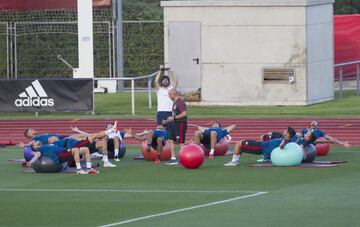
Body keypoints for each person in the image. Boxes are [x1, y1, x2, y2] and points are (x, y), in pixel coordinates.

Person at [224, 127, 297, 167]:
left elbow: (282, 145)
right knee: (242, 147)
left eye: (285, 130)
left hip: (260, 147)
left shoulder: (285, 140)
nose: (283, 131)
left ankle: (233, 162)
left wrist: (281, 145)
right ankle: (235, 160)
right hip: (261, 146)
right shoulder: (286, 139)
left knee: (239, 143)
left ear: (288, 134)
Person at [26, 141, 98, 174]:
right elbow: (37, 155)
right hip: (59, 155)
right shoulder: (40, 149)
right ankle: (79, 170)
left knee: (85, 149)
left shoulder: (46, 145)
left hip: (64, 151)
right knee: (75, 150)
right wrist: (31, 162)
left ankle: (89, 169)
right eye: (34, 144)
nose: (36, 143)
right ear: (35, 148)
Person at [162, 88, 187, 165]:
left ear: (174, 94)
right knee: (170, 139)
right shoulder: (175, 103)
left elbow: (184, 113)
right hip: (175, 124)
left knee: (180, 142)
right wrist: (167, 121)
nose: (169, 97)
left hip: (181, 124)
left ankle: (183, 158)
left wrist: (174, 118)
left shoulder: (180, 102)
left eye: (170, 95)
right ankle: (173, 158)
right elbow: (174, 115)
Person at [155, 65, 178, 132]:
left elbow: (176, 82)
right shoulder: (159, 89)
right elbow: (156, 81)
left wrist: (172, 72)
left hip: (170, 112)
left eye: (167, 80)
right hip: (160, 112)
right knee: (160, 130)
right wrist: (160, 71)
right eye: (164, 80)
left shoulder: (171, 89)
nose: (165, 81)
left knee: (170, 131)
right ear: (161, 82)